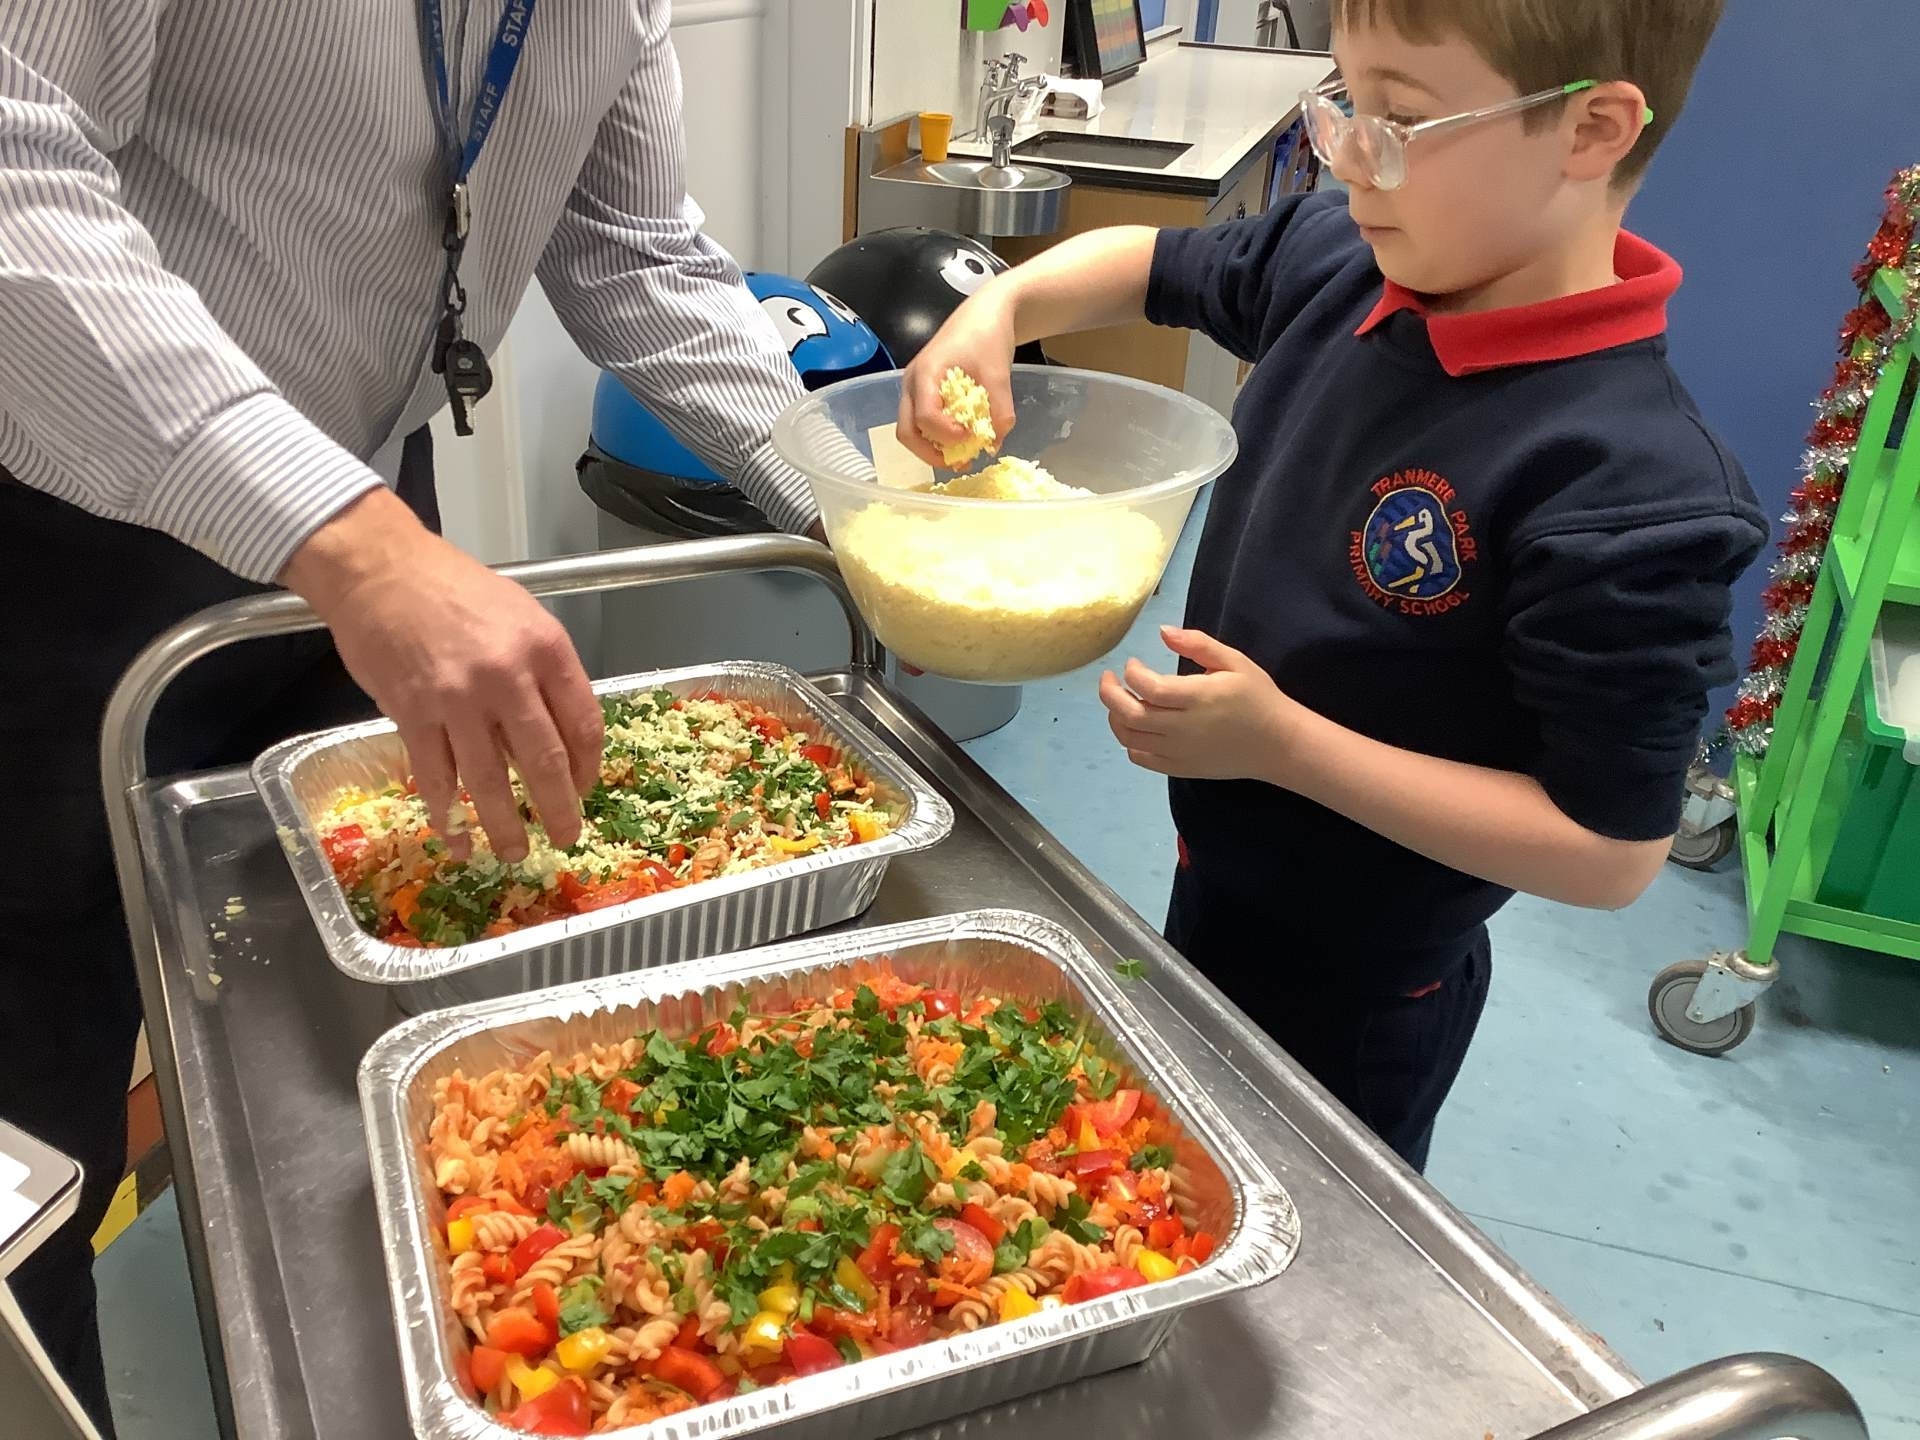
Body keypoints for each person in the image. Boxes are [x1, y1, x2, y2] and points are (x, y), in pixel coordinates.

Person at [0, 3, 822, 1430]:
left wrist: (846, 495)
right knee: (36, 1136)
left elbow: (634, 251)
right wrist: (354, 546)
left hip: (362, 501)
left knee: (369, 1020)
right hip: (69, 525)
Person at [900, 0, 1766, 1172]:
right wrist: (998, 309)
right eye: (1345, 104)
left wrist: (1284, 747)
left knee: (1296, 1209)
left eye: (1400, 121)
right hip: (1217, 884)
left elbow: (1608, 851)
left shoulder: (1631, 486)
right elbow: (1152, 262)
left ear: (1591, 130)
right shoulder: (1340, 262)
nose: (1351, 157)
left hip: (1368, 991)